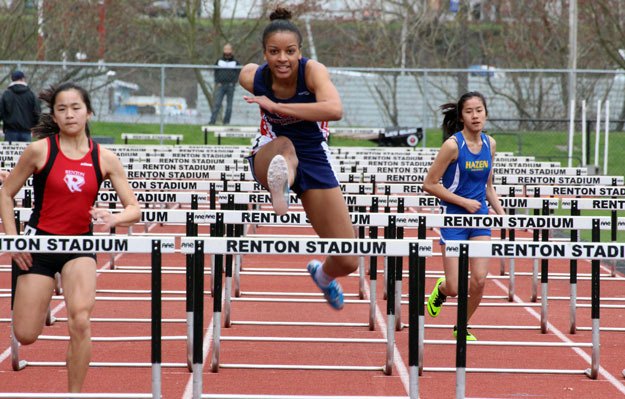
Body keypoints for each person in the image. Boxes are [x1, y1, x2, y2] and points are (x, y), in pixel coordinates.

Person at [0, 82, 140, 392]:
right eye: (61, 109)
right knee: (25, 334)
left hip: (80, 246)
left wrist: (113, 217)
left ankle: (74, 394)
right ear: (55, 115)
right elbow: (6, 194)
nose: (69, 114)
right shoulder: (39, 150)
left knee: (80, 320)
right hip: (39, 244)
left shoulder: (105, 158)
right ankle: (44, 286)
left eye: (76, 108)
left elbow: (134, 209)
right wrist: (13, 240)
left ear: (89, 112)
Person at [238, 7, 357, 310]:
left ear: (300, 52)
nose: (282, 59)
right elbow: (248, 79)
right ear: (264, 53)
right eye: (274, 52)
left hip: (315, 156)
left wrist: (278, 107)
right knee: (285, 146)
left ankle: (322, 275)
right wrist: (272, 112)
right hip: (272, 149)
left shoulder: (312, 71)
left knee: (348, 258)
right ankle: (282, 181)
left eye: (290, 51)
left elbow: (335, 109)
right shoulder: (252, 76)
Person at [422, 91, 505, 341]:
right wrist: (462, 202)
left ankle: (462, 325)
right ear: (461, 116)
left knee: (479, 280)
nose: (475, 116)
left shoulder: (490, 144)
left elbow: (488, 186)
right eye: (469, 111)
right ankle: (442, 289)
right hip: (454, 218)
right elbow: (430, 184)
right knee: (456, 287)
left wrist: (503, 216)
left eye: (479, 110)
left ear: (486, 113)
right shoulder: (452, 146)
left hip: (479, 218)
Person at [0, 70, 41, 142]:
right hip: (26, 131)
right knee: (26, 153)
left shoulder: (6, 94)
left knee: (10, 153)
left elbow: (1, 112)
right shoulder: (31, 94)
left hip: (10, 131)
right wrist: (36, 127)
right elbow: (37, 112)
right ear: (23, 79)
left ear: (12, 79)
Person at [209, 43, 240, 125]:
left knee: (229, 106)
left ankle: (226, 122)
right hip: (221, 85)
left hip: (230, 86)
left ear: (231, 50)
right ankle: (212, 121)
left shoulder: (235, 62)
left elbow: (238, 72)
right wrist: (217, 82)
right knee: (217, 104)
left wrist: (234, 82)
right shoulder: (219, 61)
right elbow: (215, 71)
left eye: (228, 49)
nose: (227, 51)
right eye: (225, 49)